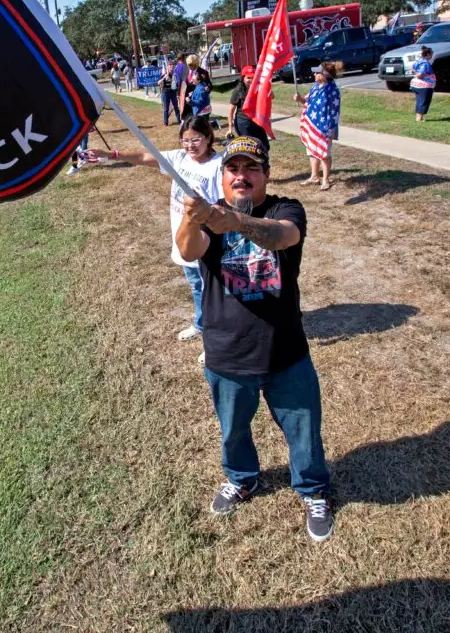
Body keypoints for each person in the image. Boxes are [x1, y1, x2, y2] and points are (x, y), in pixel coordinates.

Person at [175, 136, 333, 542]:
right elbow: (188, 251)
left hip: (285, 349)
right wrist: (193, 218)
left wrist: (239, 223)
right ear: (223, 176)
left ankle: (313, 489)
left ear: (266, 174)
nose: (242, 176)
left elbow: (283, 236)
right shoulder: (209, 213)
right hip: (227, 351)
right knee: (233, 429)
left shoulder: (285, 208)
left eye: (251, 169)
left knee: (303, 428)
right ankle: (242, 479)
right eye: (234, 169)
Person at [84, 117, 223, 358]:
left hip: (206, 243)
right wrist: (112, 154)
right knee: (196, 286)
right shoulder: (179, 158)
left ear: (209, 137)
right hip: (183, 240)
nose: (190, 145)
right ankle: (201, 324)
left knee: (214, 292)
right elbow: (145, 158)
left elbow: (226, 206)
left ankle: (215, 341)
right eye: (185, 140)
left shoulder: (218, 166)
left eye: (196, 140)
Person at [294, 62, 342, 189]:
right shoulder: (316, 86)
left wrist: (329, 128)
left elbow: (332, 111)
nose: (314, 74)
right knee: (311, 151)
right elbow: (307, 100)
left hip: (324, 126)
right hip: (311, 123)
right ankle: (314, 176)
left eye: (317, 72)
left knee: (324, 152)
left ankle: (325, 180)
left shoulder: (332, 90)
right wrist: (300, 99)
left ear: (324, 75)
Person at [228, 65, 270, 150]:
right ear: (243, 78)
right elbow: (231, 110)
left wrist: (267, 89)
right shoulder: (238, 90)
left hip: (257, 120)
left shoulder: (258, 87)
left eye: (253, 77)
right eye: (248, 78)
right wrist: (230, 128)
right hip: (244, 122)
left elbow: (271, 96)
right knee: (249, 147)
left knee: (264, 145)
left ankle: (264, 162)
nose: (251, 80)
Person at [181, 54, 212, 119]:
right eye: (188, 65)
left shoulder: (203, 72)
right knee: (188, 121)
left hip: (198, 103)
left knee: (199, 123)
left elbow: (209, 84)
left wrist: (208, 88)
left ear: (196, 64)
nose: (189, 67)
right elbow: (182, 83)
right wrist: (179, 94)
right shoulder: (184, 70)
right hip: (187, 102)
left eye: (191, 65)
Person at [411, 46, 435, 122]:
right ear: (427, 54)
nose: (431, 56)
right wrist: (425, 75)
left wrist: (416, 73)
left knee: (419, 100)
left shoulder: (418, 61)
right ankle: (419, 118)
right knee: (424, 101)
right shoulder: (425, 64)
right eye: (431, 54)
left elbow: (412, 70)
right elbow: (420, 75)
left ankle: (418, 117)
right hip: (424, 85)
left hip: (415, 85)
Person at [159, 56, 181, 126]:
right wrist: (165, 77)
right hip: (165, 93)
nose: (171, 67)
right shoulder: (164, 74)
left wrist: (171, 80)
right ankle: (166, 122)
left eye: (172, 66)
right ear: (168, 67)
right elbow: (158, 82)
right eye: (170, 66)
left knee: (176, 107)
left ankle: (179, 120)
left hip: (173, 92)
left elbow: (176, 85)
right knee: (166, 108)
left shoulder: (175, 75)